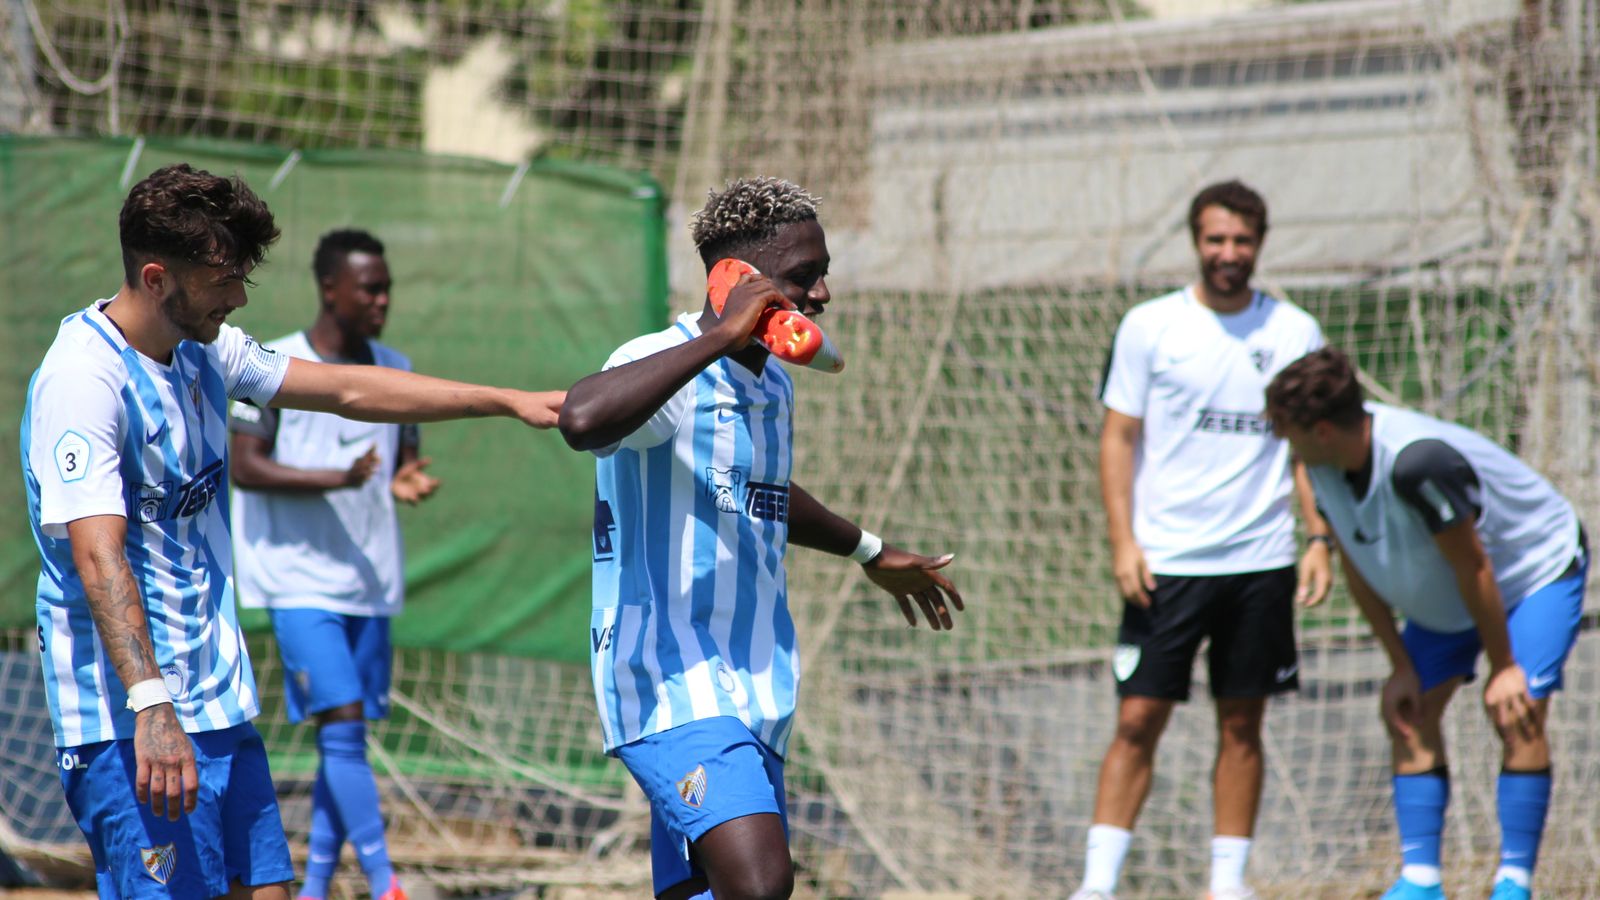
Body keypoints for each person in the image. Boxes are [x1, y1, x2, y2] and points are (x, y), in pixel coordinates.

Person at [21, 164, 564, 900]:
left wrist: (506, 400)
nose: (241, 298)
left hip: (218, 702)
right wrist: (151, 706)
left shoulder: (206, 349)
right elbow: (97, 556)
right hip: (130, 722)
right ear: (156, 278)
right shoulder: (82, 381)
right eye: (224, 281)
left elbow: (348, 388)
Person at [559, 176, 964, 900]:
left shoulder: (773, 384)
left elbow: (759, 490)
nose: (822, 295)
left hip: (756, 685)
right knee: (761, 882)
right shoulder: (660, 361)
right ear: (737, 280)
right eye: (804, 277)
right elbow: (581, 419)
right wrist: (720, 336)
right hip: (670, 683)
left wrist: (870, 550)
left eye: (824, 274)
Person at [1072, 181, 1332, 900]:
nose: (1228, 253)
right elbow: (1119, 438)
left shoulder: (1295, 331)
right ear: (1196, 241)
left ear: (1260, 244)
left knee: (1244, 722)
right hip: (1166, 561)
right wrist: (1123, 542)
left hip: (1261, 562)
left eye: (1242, 240)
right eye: (1216, 239)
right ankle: (1097, 885)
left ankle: (1228, 884)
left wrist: (1318, 538)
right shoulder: (1150, 326)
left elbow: (1309, 447)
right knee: (1137, 718)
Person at [1264, 347, 1583, 900]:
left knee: (1518, 710)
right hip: (1454, 586)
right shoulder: (1318, 467)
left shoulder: (1417, 463)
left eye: (1284, 429)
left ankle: (1514, 883)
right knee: (1408, 713)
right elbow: (1360, 562)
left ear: (1321, 430)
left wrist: (1504, 667)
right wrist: (1400, 666)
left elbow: (1476, 565)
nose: (1279, 440)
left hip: (1532, 571)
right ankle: (1420, 882)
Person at [229, 229, 435, 900]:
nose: (382, 300)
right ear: (329, 288)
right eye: (369, 289)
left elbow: (402, 461)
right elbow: (244, 466)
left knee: (342, 744)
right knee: (343, 728)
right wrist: (337, 478)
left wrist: (404, 481)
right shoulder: (268, 365)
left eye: (387, 289)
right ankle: (384, 882)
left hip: (370, 584)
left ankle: (316, 888)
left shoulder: (397, 369)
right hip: (296, 583)